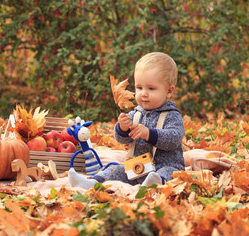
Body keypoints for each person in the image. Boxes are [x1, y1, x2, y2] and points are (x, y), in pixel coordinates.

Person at [69, 52, 185, 189]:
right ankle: (93, 183)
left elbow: (174, 139)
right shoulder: (135, 114)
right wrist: (122, 129)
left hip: (163, 166)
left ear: (169, 91)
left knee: (172, 173)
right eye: (139, 88)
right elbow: (122, 140)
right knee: (116, 170)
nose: (144, 93)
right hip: (137, 168)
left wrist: (149, 133)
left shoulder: (171, 115)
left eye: (151, 88)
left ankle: (154, 184)